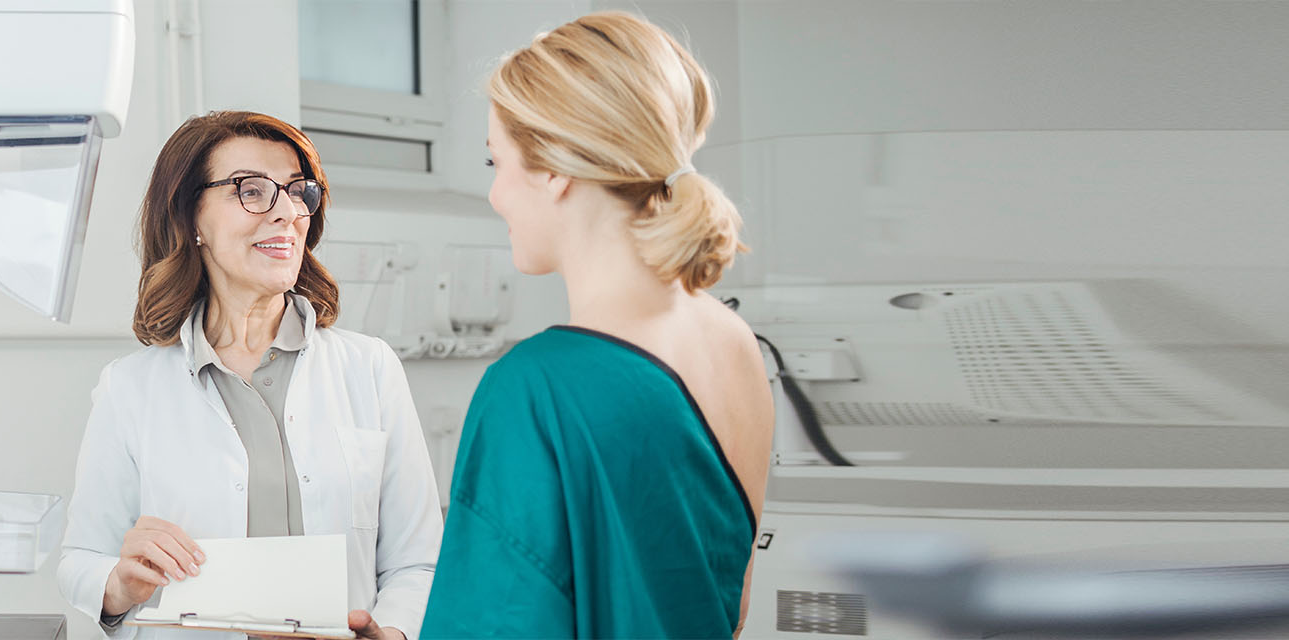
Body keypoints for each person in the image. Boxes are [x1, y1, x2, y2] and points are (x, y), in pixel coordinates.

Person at [420, 12, 775, 639]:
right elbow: (730, 606)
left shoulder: (535, 388)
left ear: (554, 170)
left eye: (494, 162)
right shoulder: (732, 341)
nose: (496, 195)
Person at [56, 111, 445, 640]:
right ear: (191, 216)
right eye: (253, 191)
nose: (286, 212)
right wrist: (120, 583)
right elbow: (81, 559)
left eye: (297, 192)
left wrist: (393, 633)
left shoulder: (369, 368)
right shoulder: (130, 388)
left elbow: (418, 563)